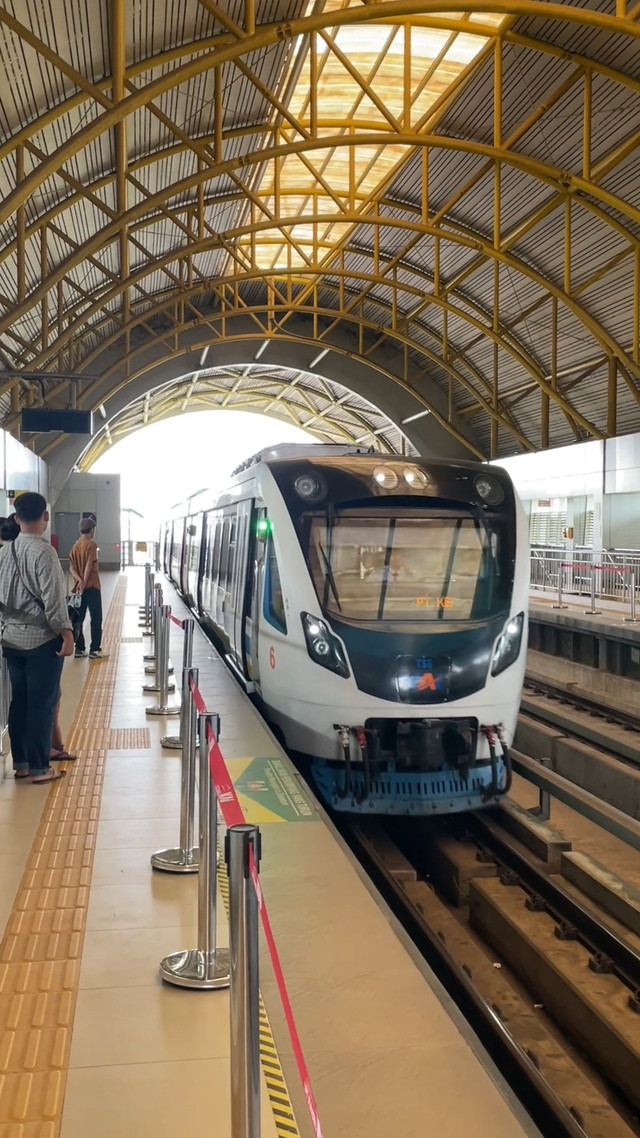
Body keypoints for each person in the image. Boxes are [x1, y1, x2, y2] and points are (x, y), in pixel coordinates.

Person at [0, 492, 74, 783]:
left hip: (11, 641)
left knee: (19, 702)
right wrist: (66, 634)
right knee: (41, 704)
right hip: (41, 641)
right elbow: (55, 602)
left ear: (17, 519)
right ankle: (42, 768)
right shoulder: (45, 552)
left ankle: (22, 764)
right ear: (45, 516)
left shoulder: (4, 553)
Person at [69, 519, 108, 660]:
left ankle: (79, 648)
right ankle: (94, 649)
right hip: (91, 586)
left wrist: (79, 582)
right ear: (92, 530)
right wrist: (84, 582)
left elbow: (71, 567)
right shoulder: (91, 545)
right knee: (96, 618)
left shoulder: (75, 546)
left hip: (78, 589)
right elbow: (89, 566)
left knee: (78, 618)